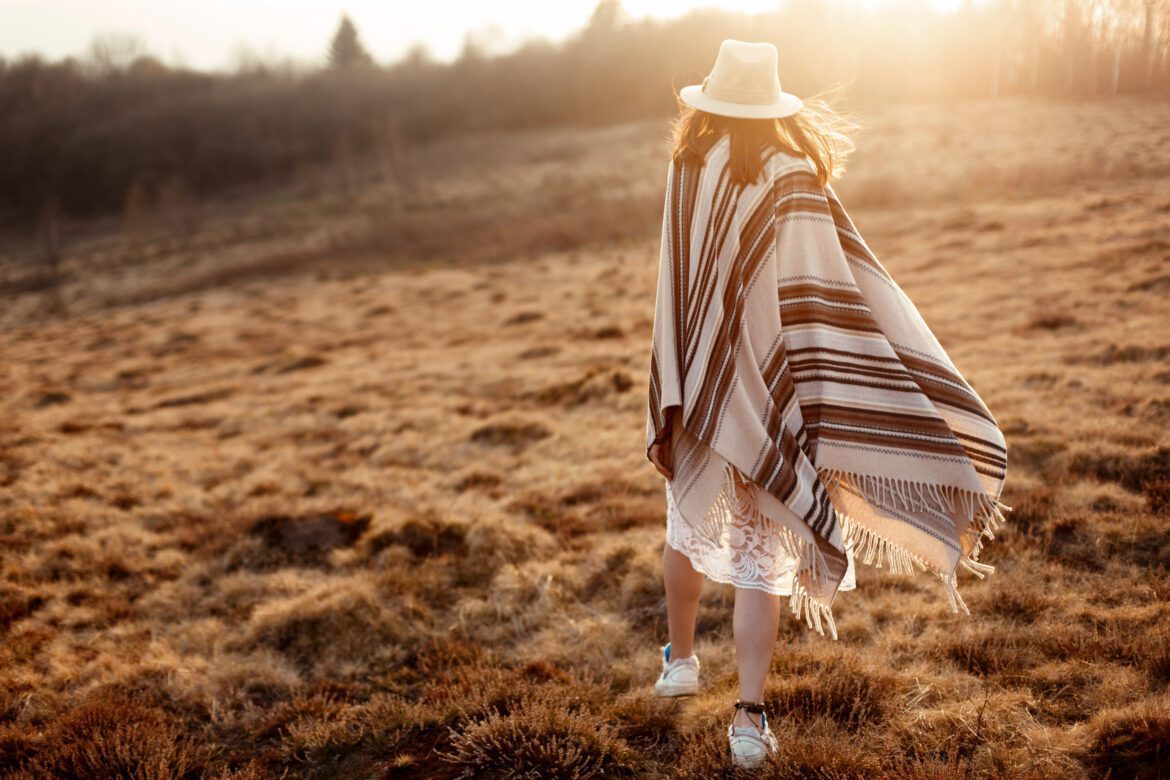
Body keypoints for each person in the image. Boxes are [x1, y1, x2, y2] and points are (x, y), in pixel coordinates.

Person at [644, 39, 1010, 769]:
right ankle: (748, 720)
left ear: (712, 105)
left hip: (704, 395)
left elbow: (674, 290)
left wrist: (673, 395)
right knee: (757, 562)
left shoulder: (691, 172)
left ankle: (680, 661)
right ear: (772, 106)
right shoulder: (796, 176)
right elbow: (846, 290)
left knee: (688, 528)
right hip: (779, 401)